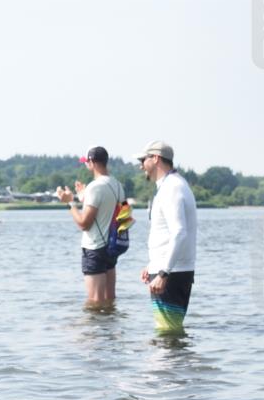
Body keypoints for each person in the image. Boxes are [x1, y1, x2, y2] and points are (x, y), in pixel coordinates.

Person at [135, 140, 197, 334]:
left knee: (167, 333)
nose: (141, 166)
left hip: (172, 273)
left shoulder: (172, 187)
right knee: (169, 332)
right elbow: (166, 234)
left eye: (143, 160)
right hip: (170, 269)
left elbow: (179, 232)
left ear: (155, 158)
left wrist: (163, 273)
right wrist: (153, 264)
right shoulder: (171, 185)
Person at [55, 146, 125, 308]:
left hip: (95, 249)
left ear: (92, 162)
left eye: (86, 162)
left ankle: (94, 326)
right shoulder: (117, 185)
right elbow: (115, 213)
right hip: (112, 247)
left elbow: (84, 223)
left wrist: (70, 203)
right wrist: (83, 196)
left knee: (95, 303)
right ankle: (110, 325)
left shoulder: (95, 187)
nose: (86, 164)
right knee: (109, 301)